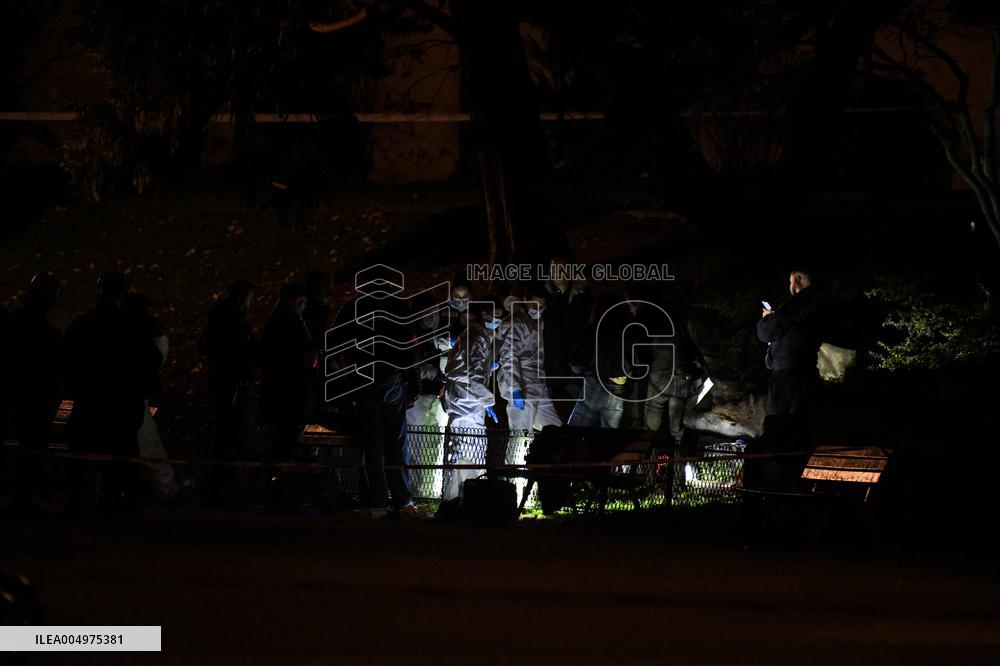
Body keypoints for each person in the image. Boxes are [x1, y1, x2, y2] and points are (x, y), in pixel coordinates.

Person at [65, 272, 162, 512]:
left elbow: (69, 360)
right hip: (122, 403)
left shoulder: (85, 324)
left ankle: (81, 502)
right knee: (120, 455)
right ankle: (113, 502)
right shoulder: (132, 327)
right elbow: (151, 360)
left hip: (93, 401)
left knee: (88, 454)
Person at [331, 291, 417, 518]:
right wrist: (412, 380)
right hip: (390, 376)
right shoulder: (396, 305)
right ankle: (402, 499)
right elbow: (409, 343)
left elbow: (337, 339)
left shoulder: (354, 306)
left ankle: (376, 498)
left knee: (373, 441)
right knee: (396, 441)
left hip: (363, 377)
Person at [4, 273, 62, 513]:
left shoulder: (13, 324)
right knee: (32, 446)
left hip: (15, 393)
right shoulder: (45, 332)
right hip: (32, 398)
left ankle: (22, 495)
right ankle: (24, 496)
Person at [259, 283, 317, 508]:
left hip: (284, 394)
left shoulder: (277, 323)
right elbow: (301, 356)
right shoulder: (290, 324)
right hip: (292, 395)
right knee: (288, 444)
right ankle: (282, 493)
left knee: (284, 443)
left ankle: (277, 490)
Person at [441, 299, 501, 501]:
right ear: (485, 315)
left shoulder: (474, 335)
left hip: (464, 400)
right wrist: (488, 400)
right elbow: (473, 376)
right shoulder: (477, 337)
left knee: (460, 452)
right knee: (468, 453)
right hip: (467, 404)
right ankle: (460, 500)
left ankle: (458, 499)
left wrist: (487, 368)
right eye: (497, 314)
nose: (499, 319)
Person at [204, 279, 257, 502]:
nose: (251, 304)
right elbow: (240, 350)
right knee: (228, 432)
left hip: (225, 379)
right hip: (230, 381)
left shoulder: (220, 318)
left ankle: (220, 484)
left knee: (225, 432)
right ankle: (223, 486)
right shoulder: (233, 321)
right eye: (249, 299)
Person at [124, 292, 178, 499]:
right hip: (134, 396)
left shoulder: (111, 328)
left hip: (113, 395)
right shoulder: (141, 334)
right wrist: (159, 337)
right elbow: (156, 360)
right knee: (148, 443)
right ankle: (164, 488)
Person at [756, 270, 821, 418]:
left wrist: (767, 319)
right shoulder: (821, 301)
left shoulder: (799, 302)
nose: (790, 286)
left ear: (798, 279)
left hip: (787, 376)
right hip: (807, 372)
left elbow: (766, 332)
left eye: (790, 282)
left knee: (778, 426)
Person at [497, 287, 562, 434]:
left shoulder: (536, 321)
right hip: (523, 383)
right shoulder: (516, 323)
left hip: (537, 382)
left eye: (541, 307)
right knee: (520, 435)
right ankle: (517, 457)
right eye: (534, 306)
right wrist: (515, 387)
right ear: (525, 301)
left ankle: (550, 455)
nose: (537, 310)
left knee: (554, 430)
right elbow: (508, 356)